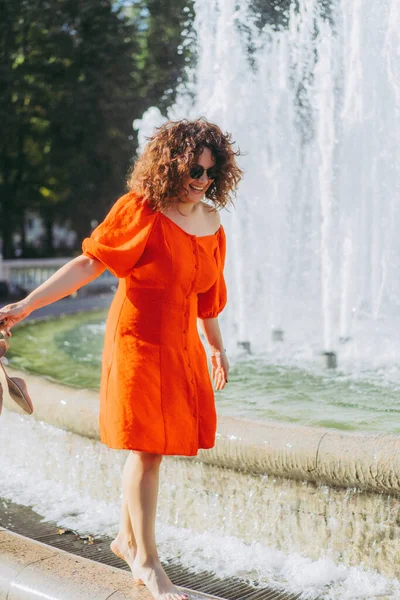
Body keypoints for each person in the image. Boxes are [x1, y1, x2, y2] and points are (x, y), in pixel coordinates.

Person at [0, 117, 243, 600]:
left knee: (156, 446)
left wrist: (214, 345)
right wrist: (27, 305)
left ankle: (126, 538)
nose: (201, 180)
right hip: (137, 340)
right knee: (147, 448)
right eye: (193, 168)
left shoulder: (212, 223)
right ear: (170, 163)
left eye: (210, 173)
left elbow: (207, 296)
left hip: (179, 345)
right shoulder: (143, 210)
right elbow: (91, 262)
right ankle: (148, 565)